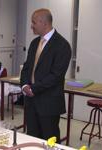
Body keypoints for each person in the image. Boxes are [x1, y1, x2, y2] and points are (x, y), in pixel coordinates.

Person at [20, 8, 71, 142]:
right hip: (31, 102)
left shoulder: (62, 45)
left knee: (50, 140)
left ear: (44, 23)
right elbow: (27, 67)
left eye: (33, 22)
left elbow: (56, 76)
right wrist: (25, 85)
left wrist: (33, 88)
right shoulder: (34, 43)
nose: (31, 25)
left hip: (49, 103)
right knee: (32, 139)